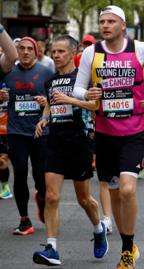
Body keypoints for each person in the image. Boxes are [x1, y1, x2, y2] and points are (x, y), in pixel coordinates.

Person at [73, 5, 144, 269]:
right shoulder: (92, 52)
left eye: (111, 21)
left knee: (127, 188)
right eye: (102, 21)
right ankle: (129, 243)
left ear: (122, 25)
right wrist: (86, 94)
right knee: (114, 192)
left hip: (134, 130)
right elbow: (78, 88)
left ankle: (127, 250)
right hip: (104, 132)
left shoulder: (140, 49)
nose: (105, 25)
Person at [32, 35, 108, 266]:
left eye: (61, 52)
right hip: (56, 142)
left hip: (80, 142)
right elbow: (51, 105)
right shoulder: (50, 81)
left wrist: (70, 99)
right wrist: (43, 118)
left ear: (73, 52)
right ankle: (51, 248)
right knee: (51, 197)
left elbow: (95, 106)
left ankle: (98, 229)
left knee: (83, 198)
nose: (56, 56)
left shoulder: (83, 79)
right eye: (53, 52)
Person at [1, 36, 54, 235]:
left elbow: (56, 101)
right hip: (16, 131)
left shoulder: (46, 72)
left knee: (40, 177)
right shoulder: (7, 73)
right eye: (21, 48)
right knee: (20, 173)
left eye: (29, 49)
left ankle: (41, 200)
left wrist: (45, 103)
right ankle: (24, 220)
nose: (24, 52)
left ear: (36, 51)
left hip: (40, 131)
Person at [0, 23, 18, 200]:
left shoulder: (6, 69)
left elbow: (12, 56)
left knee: (2, 160)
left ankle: (4, 186)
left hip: (4, 123)